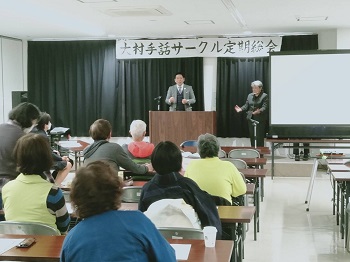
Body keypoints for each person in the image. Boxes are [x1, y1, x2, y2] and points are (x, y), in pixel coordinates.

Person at [60, 161, 175, 262]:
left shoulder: (71, 240)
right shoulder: (137, 222)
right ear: (117, 191)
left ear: (76, 199)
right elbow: (168, 258)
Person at [138, 141, 222, 238]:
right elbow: (207, 212)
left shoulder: (147, 189)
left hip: (157, 244)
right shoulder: (187, 186)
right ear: (179, 161)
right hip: (192, 243)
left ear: (154, 163)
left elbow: (142, 221)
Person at [2, 133, 70, 234]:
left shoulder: (6, 188)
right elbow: (64, 227)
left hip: (15, 247)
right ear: (47, 158)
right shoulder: (53, 192)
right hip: (49, 247)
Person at [185, 133, 247, 205]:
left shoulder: (191, 165)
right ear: (218, 149)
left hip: (199, 211)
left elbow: (186, 189)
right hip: (224, 212)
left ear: (198, 150)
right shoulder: (228, 166)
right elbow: (241, 190)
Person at [0, 102, 41, 210]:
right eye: (35, 122)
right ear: (30, 119)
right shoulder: (23, 138)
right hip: (11, 186)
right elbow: (33, 166)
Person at [83, 119, 153, 174]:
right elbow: (133, 167)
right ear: (110, 134)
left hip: (89, 188)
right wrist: (146, 168)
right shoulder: (114, 148)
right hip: (106, 188)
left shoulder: (87, 150)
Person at [31, 112, 73, 185]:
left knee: (65, 160)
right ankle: (55, 187)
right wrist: (61, 158)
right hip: (43, 162)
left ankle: (52, 181)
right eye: (49, 122)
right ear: (45, 124)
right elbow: (48, 154)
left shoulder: (33, 131)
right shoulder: (43, 136)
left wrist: (53, 151)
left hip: (34, 160)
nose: (50, 124)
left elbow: (45, 149)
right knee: (68, 164)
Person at [235, 80, 268, 147]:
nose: (253, 89)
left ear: (260, 88)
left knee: (259, 136)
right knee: (252, 136)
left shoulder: (264, 96)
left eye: (255, 88)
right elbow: (246, 105)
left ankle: (260, 152)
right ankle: (253, 151)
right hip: (250, 118)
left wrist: (259, 111)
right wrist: (240, 109)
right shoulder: (250, 95)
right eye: (253, 88)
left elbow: (265, 107)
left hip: (260, 119)